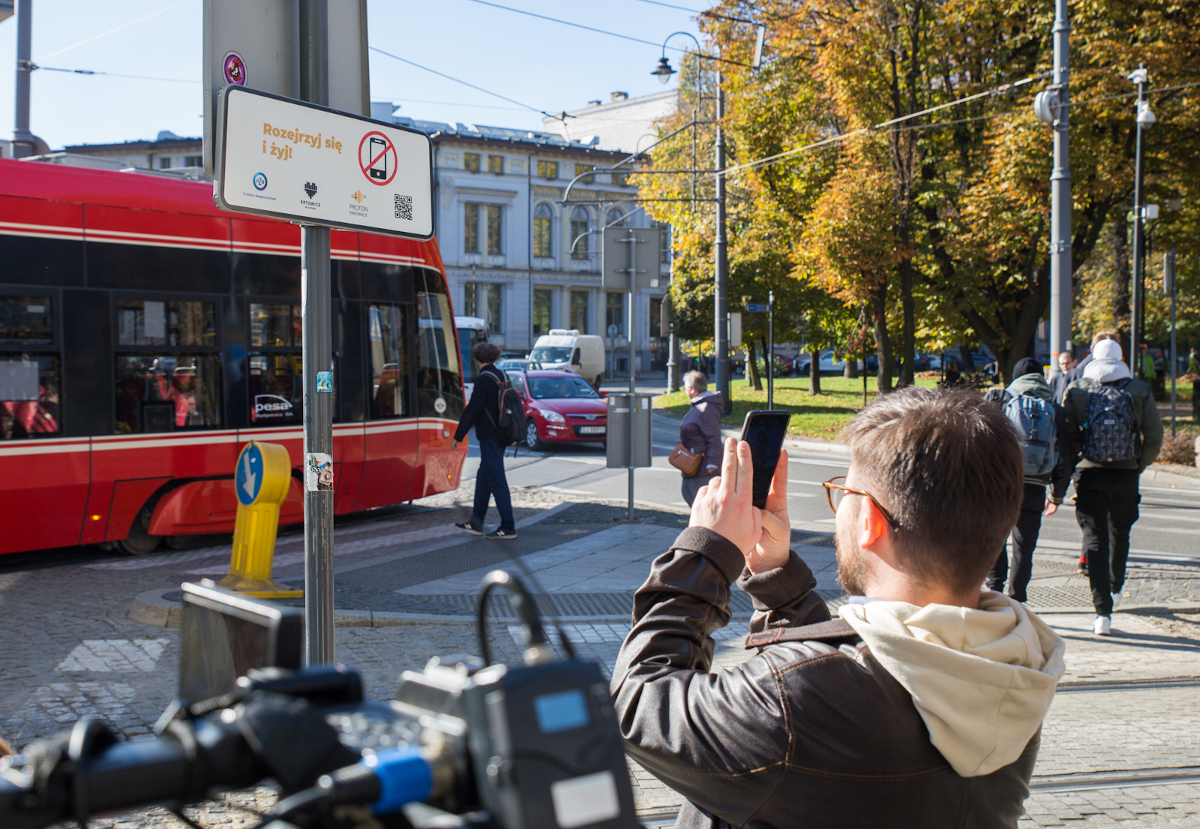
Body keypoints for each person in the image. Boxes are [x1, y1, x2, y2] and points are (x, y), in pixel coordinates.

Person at [612, 388, 1066, 828]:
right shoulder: (1016, 665)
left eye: (843, 492)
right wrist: (777, 577)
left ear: (868, 522)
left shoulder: (793, 701)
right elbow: (873, 678)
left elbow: (638, 702)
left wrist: (706, 551)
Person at [1065, 339, 1163, 635]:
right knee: (1120, 532)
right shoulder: (1138, 390)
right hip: (1125, 474)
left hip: (1089, 474)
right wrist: (1138, 463)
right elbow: (1155, 436)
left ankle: (1102, 613)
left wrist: (1074, 466)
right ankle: (1116, 587)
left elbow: (1067, 434)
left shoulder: (1079, 389)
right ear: (1121, 358)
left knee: (1094, 539)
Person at [985, 357, 1077, 602]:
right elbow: (1065, 456)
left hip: (1001, 484)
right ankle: (1018, 599)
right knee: (1024, 547)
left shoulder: (999, 399)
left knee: (996, 539)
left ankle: (995, 592)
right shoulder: (1053, 408)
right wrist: (1057, 494)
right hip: (1036, 485)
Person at [451, 341, 517, 539]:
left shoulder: (483, 380)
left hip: (489, 436)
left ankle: (508, 527)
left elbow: (473, 410)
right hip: (503, 433)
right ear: (495, 357)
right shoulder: (502, 376)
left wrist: (458, 435)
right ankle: (476, 523)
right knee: (484, 479)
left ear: (477, 359)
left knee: (497, 481)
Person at [678, 371, 723, 506]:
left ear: (692, 389)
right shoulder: (699, 406)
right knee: (690, 495)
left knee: (701, 504)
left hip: (702, 467)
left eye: (685, 387)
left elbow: (714, 438)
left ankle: (705, 527)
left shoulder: (705, 409)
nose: (684, 390)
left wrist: (712, 463)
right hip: (693, 464)